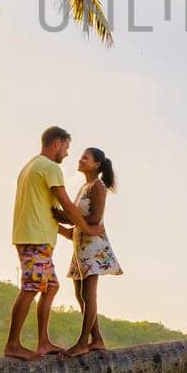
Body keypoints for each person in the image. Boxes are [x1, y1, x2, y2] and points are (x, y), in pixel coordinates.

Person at [5, 126, 98, 361]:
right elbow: (66, 205)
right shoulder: (50, 167)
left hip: (36, 236)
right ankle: (13, 344)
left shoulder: (31, 167)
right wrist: (88, 228)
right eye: (66, 147)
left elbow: (46, 211)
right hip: (34, 238)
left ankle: (43, 342)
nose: (67, 153)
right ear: (56, 144)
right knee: (32, 286)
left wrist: (69, 234)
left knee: (51, 286)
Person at [60, 146, 123, 357]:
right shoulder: (83, 187)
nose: (80, 160)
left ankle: (82, 342)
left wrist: (70, 219)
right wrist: (56, 216)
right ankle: (96, 339)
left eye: (85, 158)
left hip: (93, 246)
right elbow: (73, 217)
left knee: (88, 294)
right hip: (80, 246)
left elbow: (95, 219)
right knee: (80, 294)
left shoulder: (98, 187)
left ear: (96, 164)